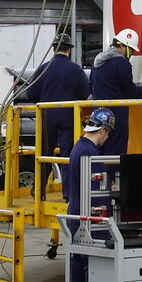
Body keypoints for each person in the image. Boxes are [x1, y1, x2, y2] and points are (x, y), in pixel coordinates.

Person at [65, 107, 116, 282]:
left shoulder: (78, 147)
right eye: (108, 133)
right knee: (93, 266)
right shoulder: (90, 153)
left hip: (76, 214)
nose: (107, 137)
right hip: (90, 217)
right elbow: (95, 192)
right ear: (102, 130)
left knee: (78, 264)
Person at [25, 31, 90, 197]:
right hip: (69, 118)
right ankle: (68, 194)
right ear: (69, 49)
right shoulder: (75, 69)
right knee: (68, 156)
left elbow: (30, 94)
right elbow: (84, 94)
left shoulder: (43, 68)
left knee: (44, 155)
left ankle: (38, 189)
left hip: (47, 117)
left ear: (54, 48)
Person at [89, 27, 142, 157]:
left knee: (98, 152)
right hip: (116, 116)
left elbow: (90, 87)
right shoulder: (121, 63)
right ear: (123, 46)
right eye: (131, 50)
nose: (131, 54)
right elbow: (130, 92)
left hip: (97, 113)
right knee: (115, 154)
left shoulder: (98, 61)